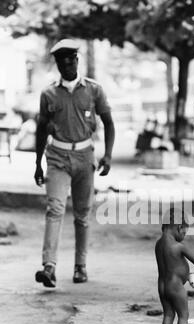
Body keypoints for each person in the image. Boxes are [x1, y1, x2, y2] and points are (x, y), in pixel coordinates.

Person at [34, 39, 115, 287]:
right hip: (57, 157)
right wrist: (38, 163)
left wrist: (108, 155)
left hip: (84, 157)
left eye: (71, 61)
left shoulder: (93, 90)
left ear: (77, 61)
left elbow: (109, 123)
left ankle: (80, 266)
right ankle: (49, 266)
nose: (67, 66)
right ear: (57, 64)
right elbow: (40, 130)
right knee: (55, 209)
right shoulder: (48, 93)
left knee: (82, 216)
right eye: (62, 62)